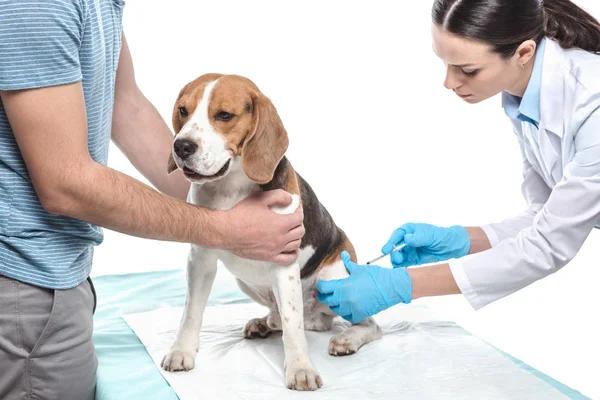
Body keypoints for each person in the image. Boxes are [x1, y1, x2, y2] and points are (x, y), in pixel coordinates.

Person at [0, 1, 304, 399]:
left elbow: (125, 104)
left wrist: (222, 187)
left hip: (64, 276)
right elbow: (64, 183)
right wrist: (225, 229)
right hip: (25, 283)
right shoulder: (39, 6)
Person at [317, 0, 600, 324]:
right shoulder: (524, 94)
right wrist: (459, 240)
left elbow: (547, 244)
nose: (449, 82)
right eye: (445, 63)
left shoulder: (592, 104)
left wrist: (403, 285)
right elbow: (545, 218)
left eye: (467, 70)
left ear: (523, 53)